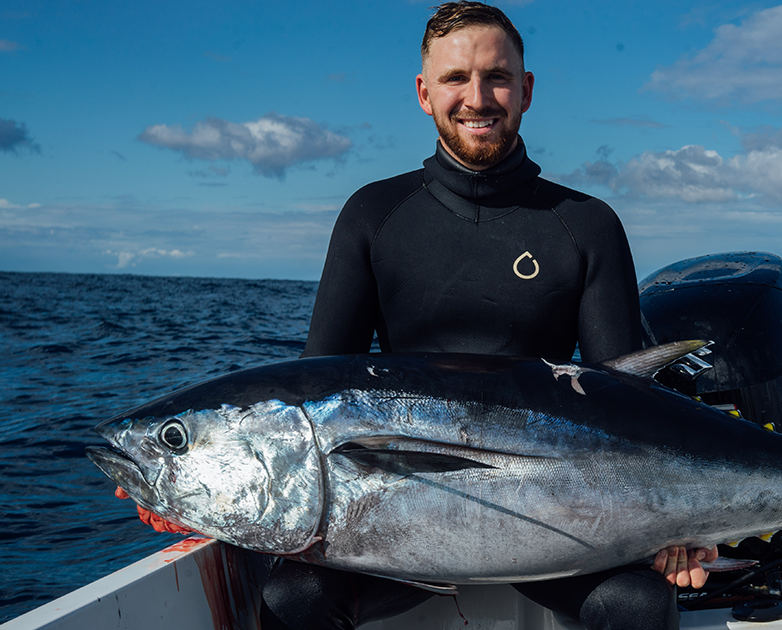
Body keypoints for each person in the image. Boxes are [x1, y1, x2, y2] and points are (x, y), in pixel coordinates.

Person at [120, 3, 716, 628]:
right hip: (385, 533)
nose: (477, 97)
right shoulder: (374, 217)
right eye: (456, 78)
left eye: (498, 77)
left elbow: (627, 406)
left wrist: (684, 519)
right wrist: (185, 478)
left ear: (527, 90)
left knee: (641, 605)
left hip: (565, 535)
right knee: (293, 600)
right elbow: (308, 394)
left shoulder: (585, 224)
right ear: (424, 93)